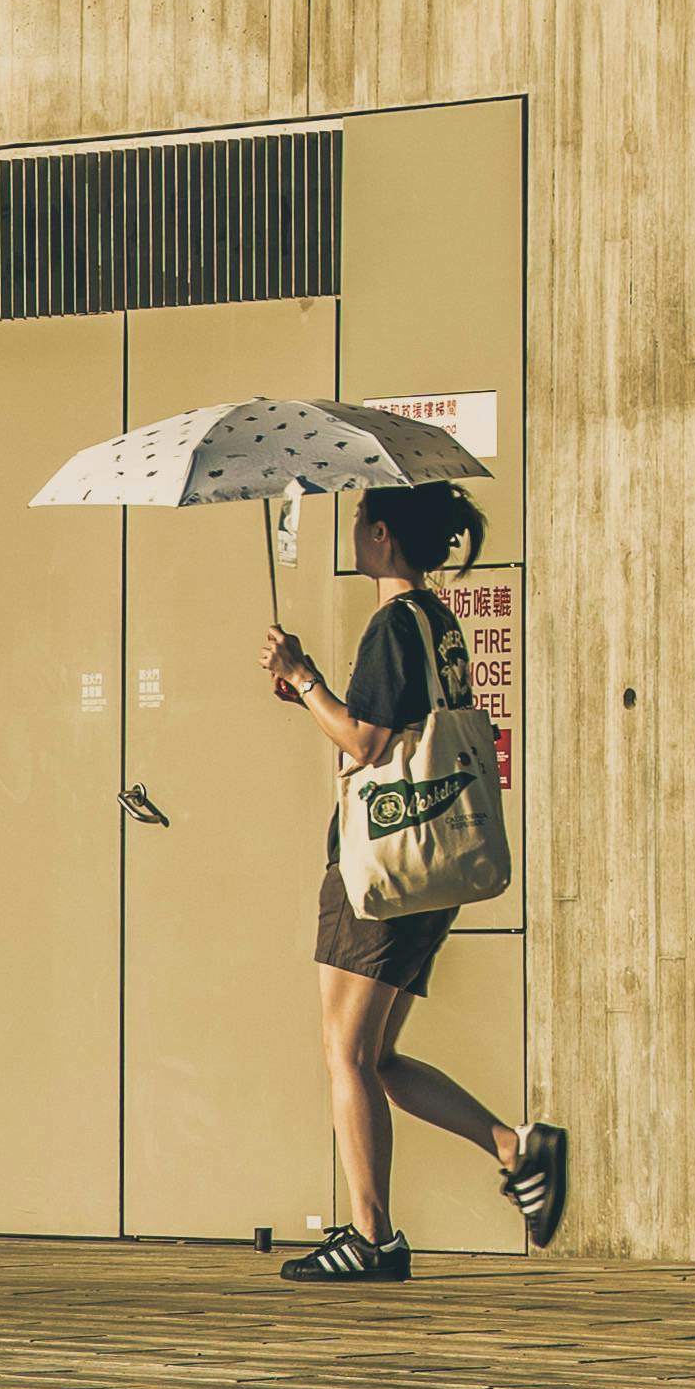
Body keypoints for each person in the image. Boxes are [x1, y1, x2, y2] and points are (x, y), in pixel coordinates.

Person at [258, 481, 565, 1279]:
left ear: (385, 536)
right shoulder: (437, 623)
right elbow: (387, 731)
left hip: (379, 869)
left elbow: (361, 743)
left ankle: (371, 1238)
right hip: (433, 862)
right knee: (380, 1056)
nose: (353, 530)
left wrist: (301, 678)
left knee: (345, 1054)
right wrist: (307, 692)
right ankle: (514, 1147)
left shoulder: (394, 623)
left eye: (360, 519)